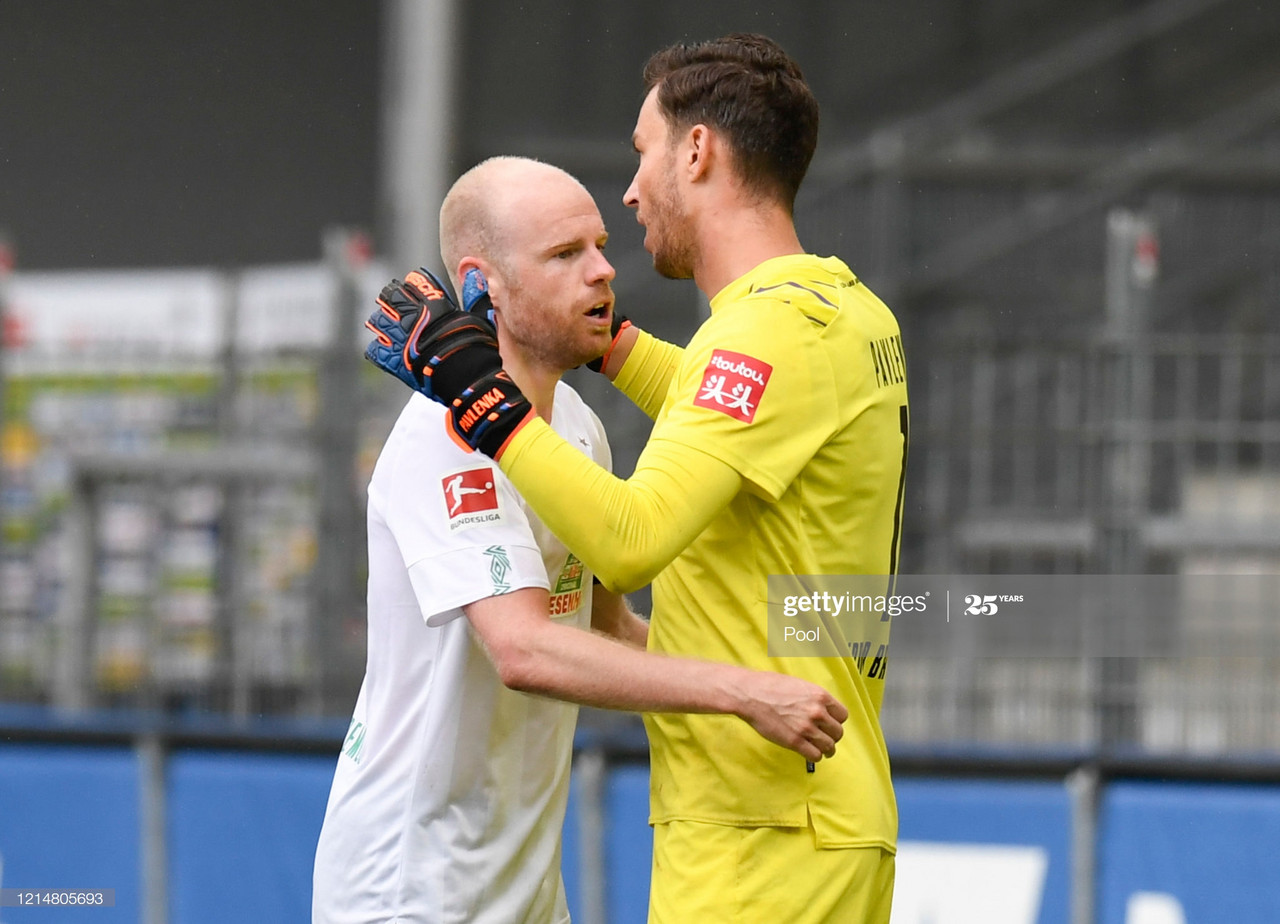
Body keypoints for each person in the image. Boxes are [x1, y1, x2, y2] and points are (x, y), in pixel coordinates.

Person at [315, 156, 849, 924]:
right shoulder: (445, 436)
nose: (602, 272)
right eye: (565, 256)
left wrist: (776, 679)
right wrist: (740, 693)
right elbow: (525, 651)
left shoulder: (578, 428)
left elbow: (610, 631)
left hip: (525, 887)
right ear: (483, 284)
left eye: (599, 246)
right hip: (411, 887)